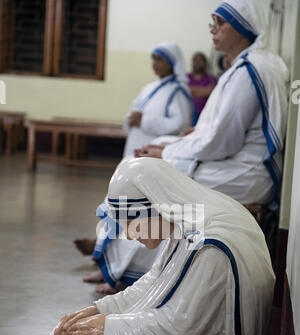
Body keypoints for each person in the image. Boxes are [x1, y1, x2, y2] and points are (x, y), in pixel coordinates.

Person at [21, 157, 275, 335]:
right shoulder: (187, 222)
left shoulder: (210, 246)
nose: (130, 236)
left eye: (132, 223)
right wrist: (98, 309)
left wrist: (102, 327)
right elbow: (153, 282)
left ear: (156, 204)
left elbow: (177, 328)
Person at [135, 0, 289, 209]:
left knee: (148, 172)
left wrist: (168, 152)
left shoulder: (248, 71)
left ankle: (125, 240)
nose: (213, 30)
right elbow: (222, 131)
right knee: (157, 153)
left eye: (220, 23)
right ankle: (119, 239)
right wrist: (183, 142)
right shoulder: (245, 66)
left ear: (242, 28)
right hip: (240, 162)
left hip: (249, 172)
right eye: (212, 23)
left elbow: (223, 141)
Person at [74, 41, 194, 292]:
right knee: (115, 208)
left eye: (159, 60)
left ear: (172, 63)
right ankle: (106, 263)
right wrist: (133, 118)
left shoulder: (177, 93)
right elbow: (132, 115)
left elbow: (179, 124)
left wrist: (146, 120)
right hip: (134, 154)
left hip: (153, 162)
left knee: (134, 216)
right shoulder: (150, 88)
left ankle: (118, 271)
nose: (155, 64)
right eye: (153, 59)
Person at [187, 52, 217, 120]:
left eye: (200, 60)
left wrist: (192, 90)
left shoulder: (211, 79)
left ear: (205, 63)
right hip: (188, 115)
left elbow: (210, 91)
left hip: (205, 115)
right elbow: (184, 91)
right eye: (195, 60)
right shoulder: (186, 78)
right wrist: (203, 90)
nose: (198, 62)